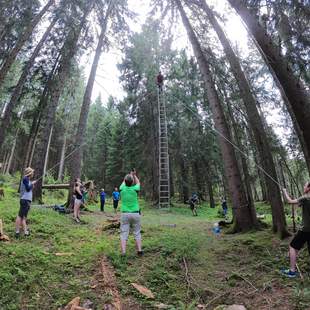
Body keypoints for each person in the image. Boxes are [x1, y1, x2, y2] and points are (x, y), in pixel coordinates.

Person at [282, 182, 310, 278]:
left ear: (309, 188)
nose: (303, 186)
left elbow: (289, 201)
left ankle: (292, 271)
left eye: (305, 185)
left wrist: (284, 191)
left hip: (306, 230)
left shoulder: (305, 198)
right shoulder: (305, 199)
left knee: (292, 247)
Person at [119, 169, 143, 256]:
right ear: (132, 182)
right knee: (137, 232)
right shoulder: (135, 189)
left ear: (125, 182)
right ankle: (139, 250)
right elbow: (138, 182)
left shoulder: (122, 189)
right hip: (136, 213)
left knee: (124, 233)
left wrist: (129, 175)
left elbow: (123, 183)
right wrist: (134, 175)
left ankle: (124, 252)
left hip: (125, 214)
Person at [15, 167, 36, 238]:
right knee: (21, 216)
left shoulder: (27, 180)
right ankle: (19, 232)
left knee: (23, 216)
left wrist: (32, 185)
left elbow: (28, 188)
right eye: (32, 172)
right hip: (25, 200)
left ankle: (23, 231)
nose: (33, 174)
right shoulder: (25, 179)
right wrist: (32, 184)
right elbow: (27, 189)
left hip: (26, 200)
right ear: (30, 173)